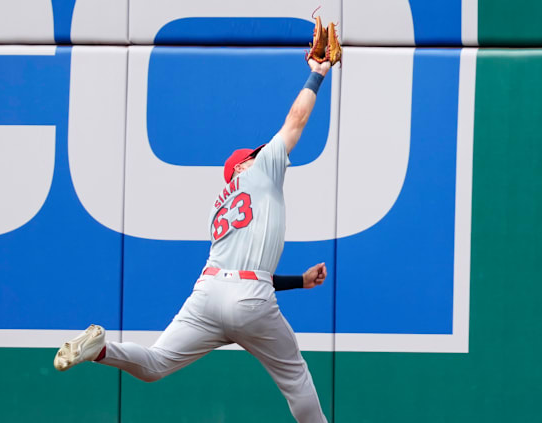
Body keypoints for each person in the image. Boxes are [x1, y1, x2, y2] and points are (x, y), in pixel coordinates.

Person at [54, 58, 333, 423]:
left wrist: (299, 281)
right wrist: (318, 73)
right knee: (295, 378)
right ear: (245, 164)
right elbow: (295, 122)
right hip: (249, 298)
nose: (264, 152)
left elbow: (242, 271)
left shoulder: (221, 205)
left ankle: (102, 350)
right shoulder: (262, 171)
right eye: (256, 153)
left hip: (209, 293)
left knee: (154, 363)